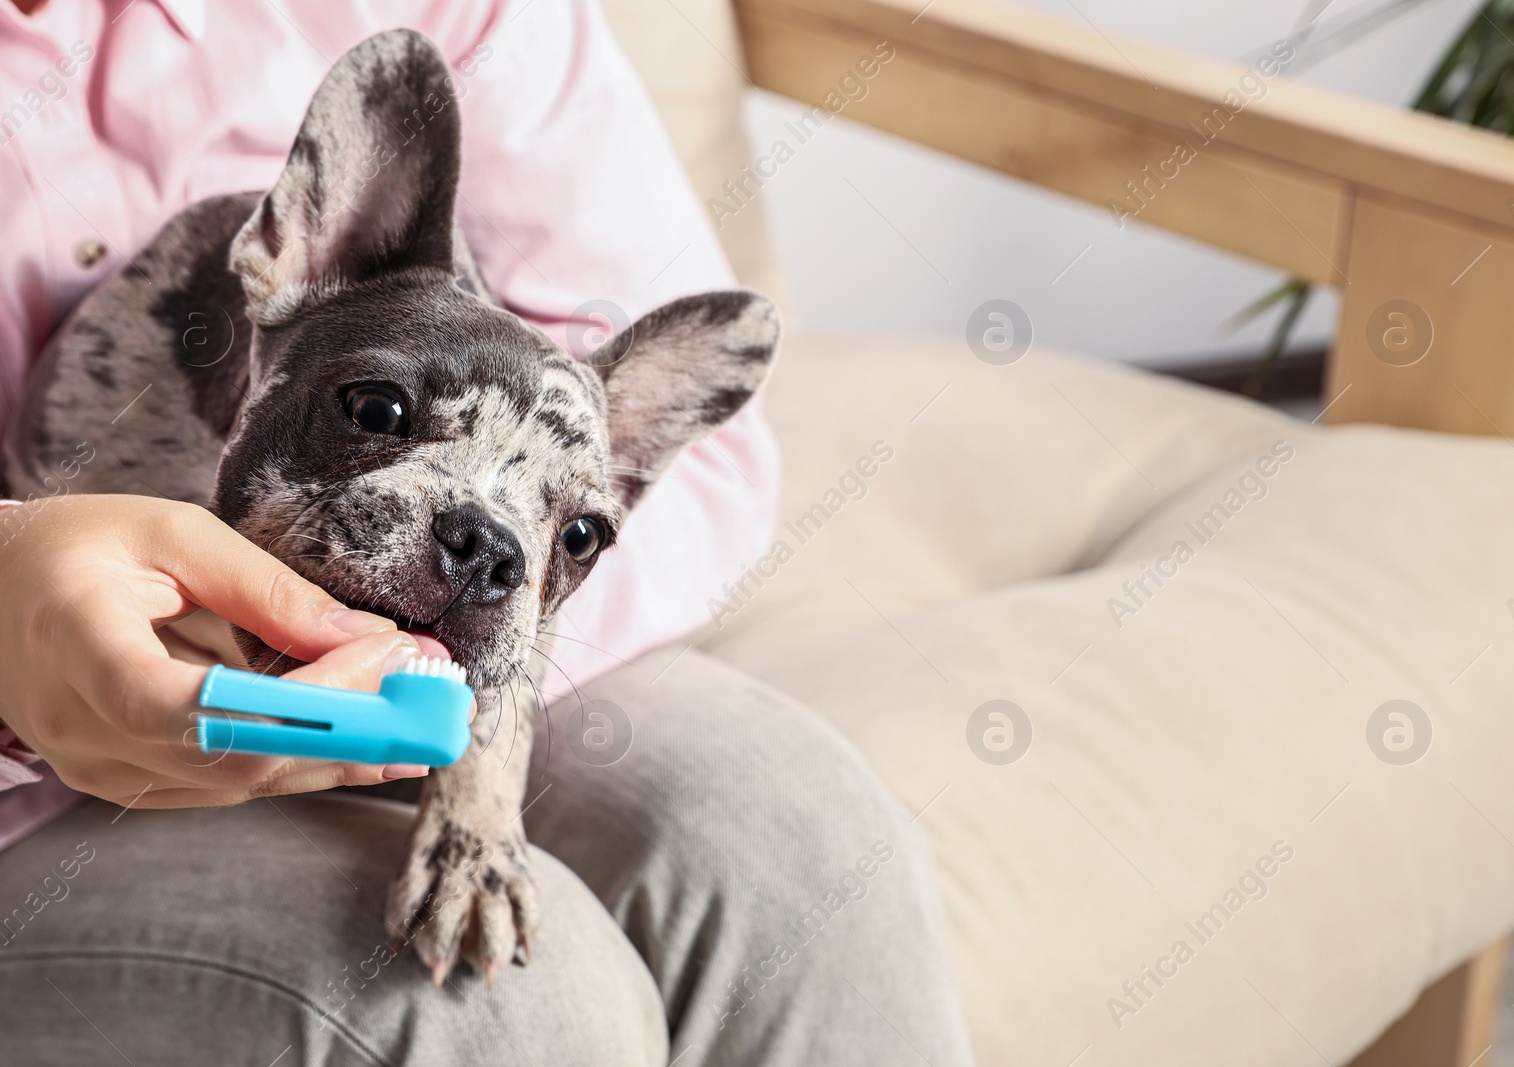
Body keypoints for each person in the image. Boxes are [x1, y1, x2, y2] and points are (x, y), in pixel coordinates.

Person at [0, 2, 975, 1064]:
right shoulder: (109, 400)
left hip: (466, 681)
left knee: (793, 833)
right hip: (34, 798)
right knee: (496, 1002)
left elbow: (699, 471)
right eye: (377, 415)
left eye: (575, 533)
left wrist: (474, 766)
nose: (483, 549)